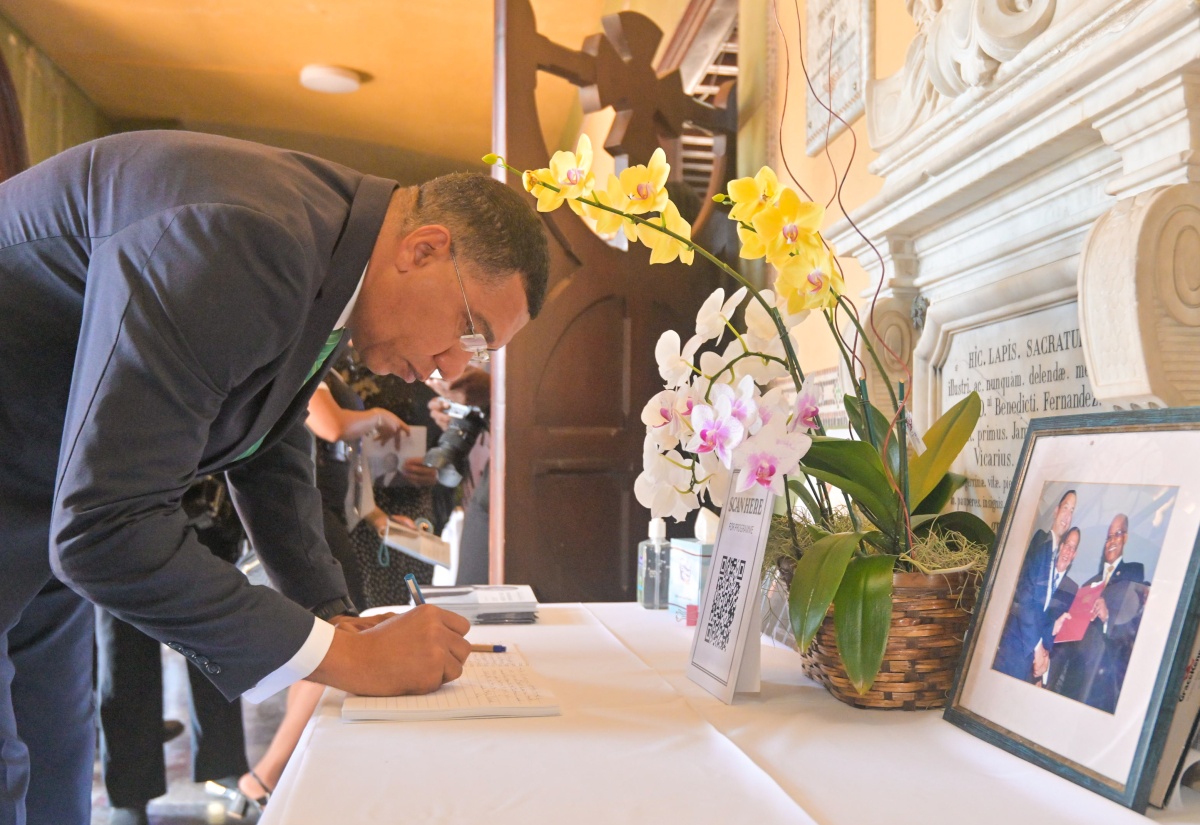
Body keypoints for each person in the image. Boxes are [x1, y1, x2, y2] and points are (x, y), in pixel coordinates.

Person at [0, 129, 549, 824]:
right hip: (38, 495)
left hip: (36, 503)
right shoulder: (248, 236)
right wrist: (345, 659)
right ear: (425, 248)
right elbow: (102, 528)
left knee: (56, 772)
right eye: (470, 333)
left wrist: (333, 615)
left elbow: (266, 438)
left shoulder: (329, 249)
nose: (449, 368)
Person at [97, 476, 253, 825]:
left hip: (201, 494)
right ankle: (129, 791)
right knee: (123, 657)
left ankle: (224, 761)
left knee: (214, 638)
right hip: (120, 506)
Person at [1050, 514, 1149, 712]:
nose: (1111, 541)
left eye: (1117, 534)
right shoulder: (1088, 585)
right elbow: (1069, 643)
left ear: (1126, 538)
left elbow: (1134, 628)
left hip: (1104, 682)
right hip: (1076, 679)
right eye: (1108, 537)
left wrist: (1107, 618)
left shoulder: (1134, 573)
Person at [992, 490, 1077, 681]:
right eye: (1065, 508)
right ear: (1055, 511)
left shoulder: (1055, 558)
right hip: (1015, 648)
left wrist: (1052, 628)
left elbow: (1040, 611)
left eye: (1072, 511)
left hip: (1027, 656)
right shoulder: (1042, 541)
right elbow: (1025, 599)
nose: (1068, 515)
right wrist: (1038, 647)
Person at [1036, 526, 1081, 686]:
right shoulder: (1040, 573)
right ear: (1060, 547)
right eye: (1067, 545)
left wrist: (1043, 673)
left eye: (1073, 548)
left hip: (1045, 663)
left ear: (1074, 555)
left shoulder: (1073, 590)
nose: (1068, 551)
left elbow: (1064, 639)